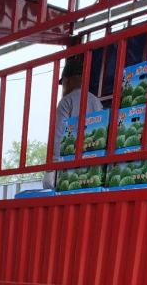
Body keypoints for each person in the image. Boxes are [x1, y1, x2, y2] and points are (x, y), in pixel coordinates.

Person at [44, 54, 103, 189]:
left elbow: (58, 136)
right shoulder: (96, 101)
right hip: (92, 167)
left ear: (66, 81)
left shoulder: (66, 101)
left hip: (67, 168)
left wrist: (52, 168)